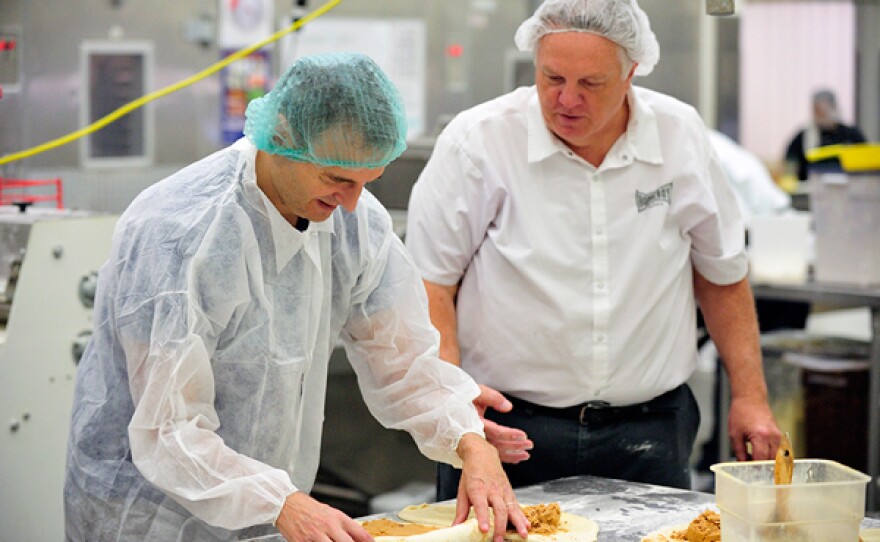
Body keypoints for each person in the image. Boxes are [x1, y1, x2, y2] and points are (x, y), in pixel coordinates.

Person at [64, 52, 530, 542]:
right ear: (282, 139)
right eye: (337, 179)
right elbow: (168, 430)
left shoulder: (356, 224)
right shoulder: (182, 233)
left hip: (273, 512)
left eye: (366, 181)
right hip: (149, 518)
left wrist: (468, 441)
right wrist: (281, 502)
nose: (351, 202)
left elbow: (404, 364)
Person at [404, 0, 782, 500]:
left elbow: (722, 275)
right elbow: (432, 284)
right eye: (552, 77)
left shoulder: (678, 135)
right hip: (508, 429)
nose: (567, 99)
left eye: (591, 83)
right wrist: (455, 409)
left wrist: (751, 397)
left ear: (632, 73)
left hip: (650, 430)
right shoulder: (481, 142)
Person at [784, 88, 866, 181]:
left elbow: (865, 161)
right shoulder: (803, 137)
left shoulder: (851, 135)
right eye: (816, 112)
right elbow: (790, 163)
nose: (819, 116)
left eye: (823, 112)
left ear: (834, 109)